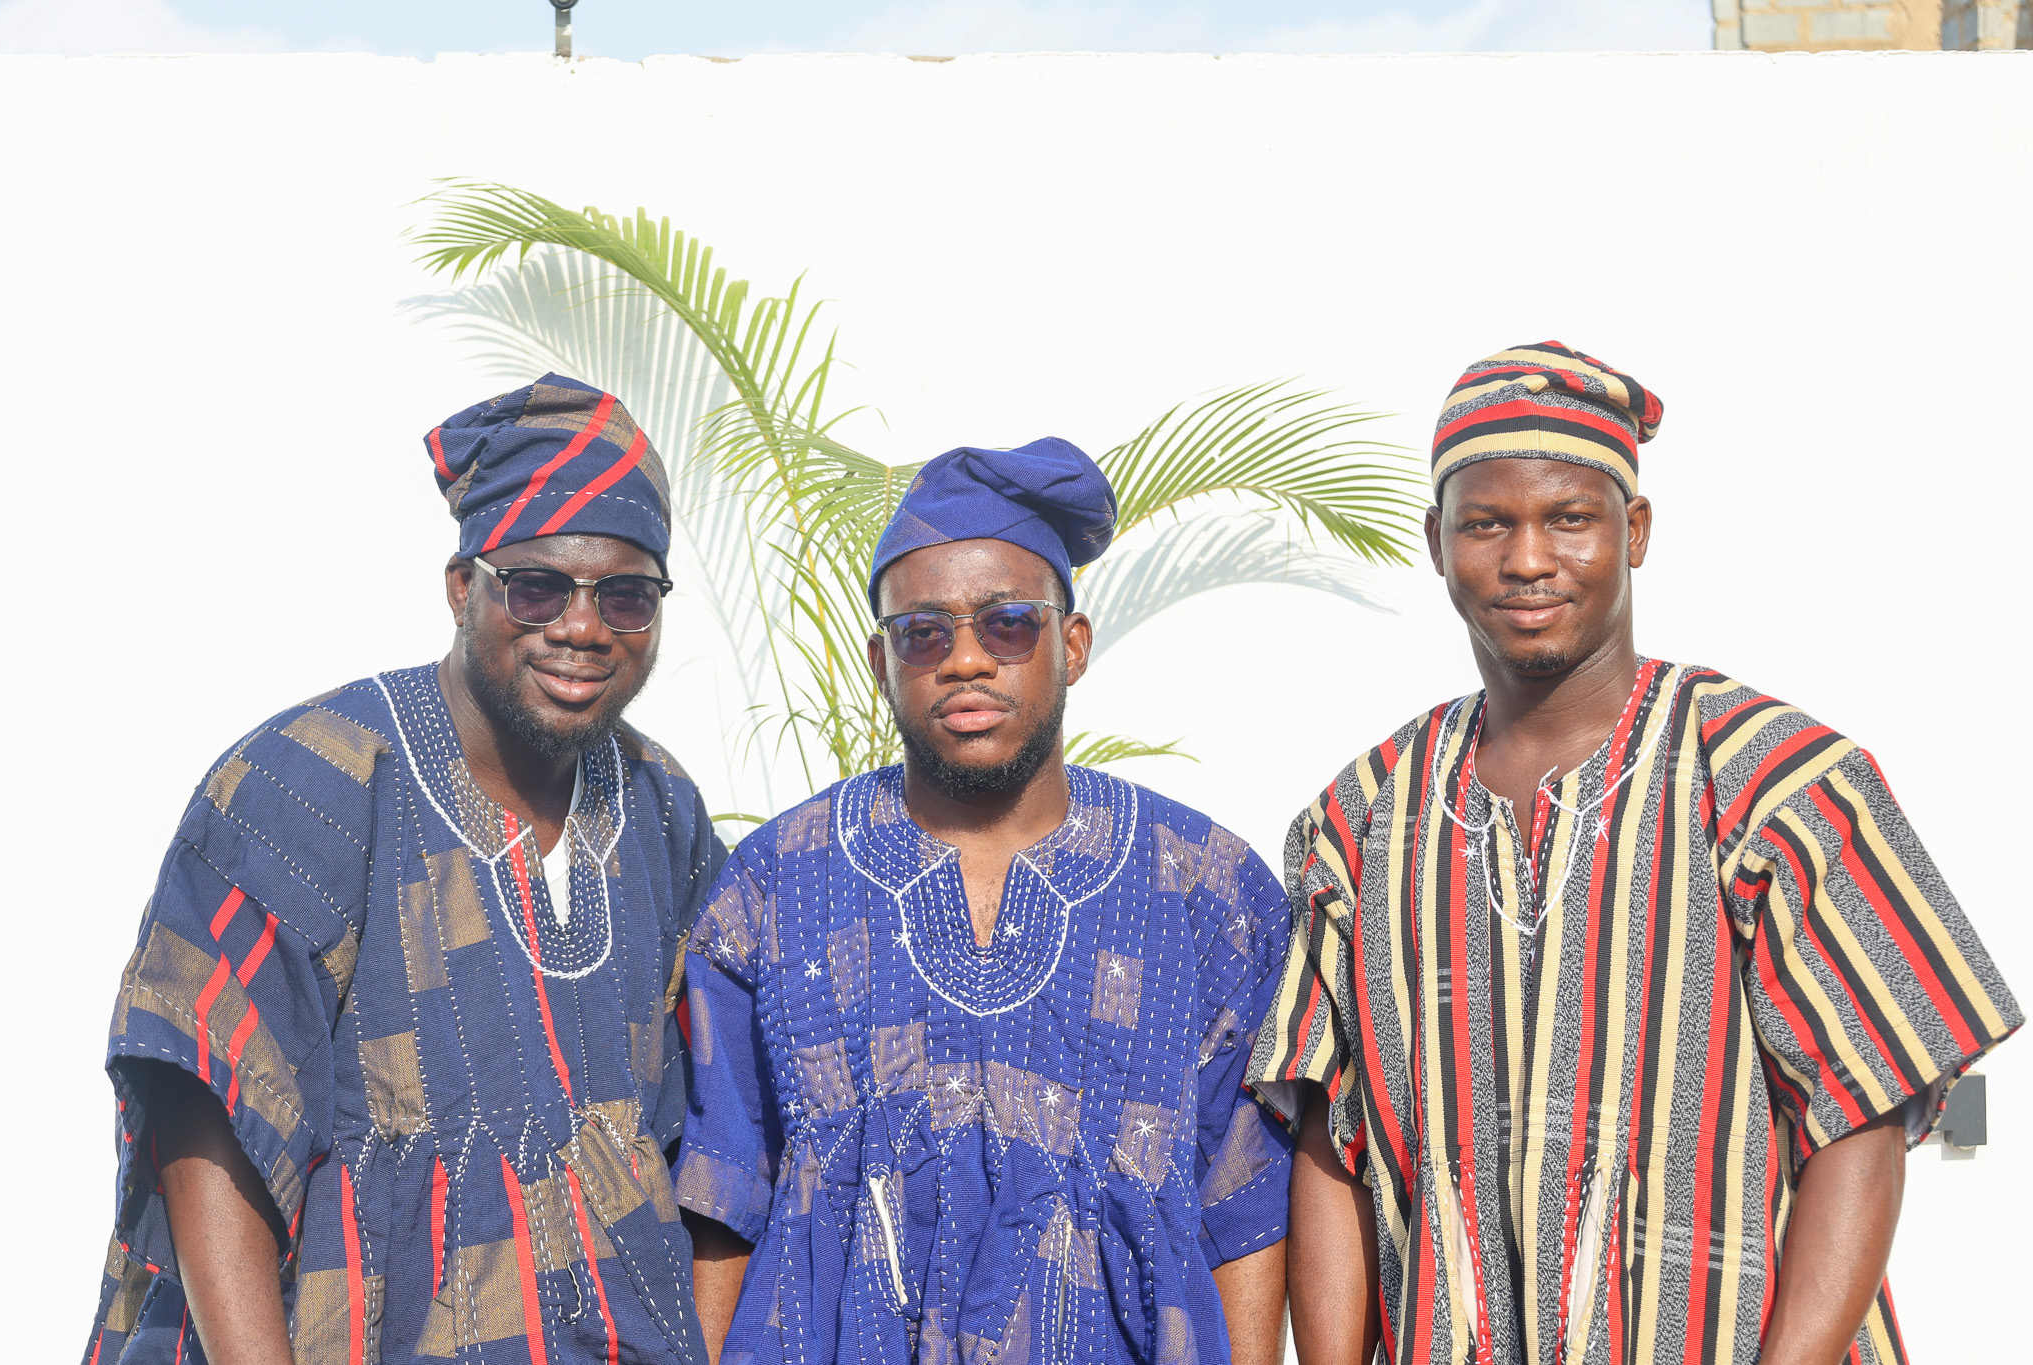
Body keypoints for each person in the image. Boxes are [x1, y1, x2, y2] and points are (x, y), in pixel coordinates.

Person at [1246, 342, 2022, 1365]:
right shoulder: (1358, 820)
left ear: (1635, 531)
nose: (1528, 559)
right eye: (1486, 523)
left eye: (1569, 518)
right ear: (1436, 542)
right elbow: (1329, 1142)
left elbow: (1862, 1120)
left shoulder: (1774, 784)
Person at [83, 374, 726, 1364]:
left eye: (627, 596)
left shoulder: (661, 808)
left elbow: (713, 1139)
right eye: (538, 587)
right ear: (464, 587)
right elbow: (205, 1110)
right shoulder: (309, 781)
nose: (583, 628)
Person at [673, 439, 1294, 1365]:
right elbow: (723, 1194)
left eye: (1007, 625)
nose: (965, 659)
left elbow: (1243, 1203)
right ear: (881, 660)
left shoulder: (1206, 888)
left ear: (1071, 645)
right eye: (923, 633)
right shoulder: (775, 885)